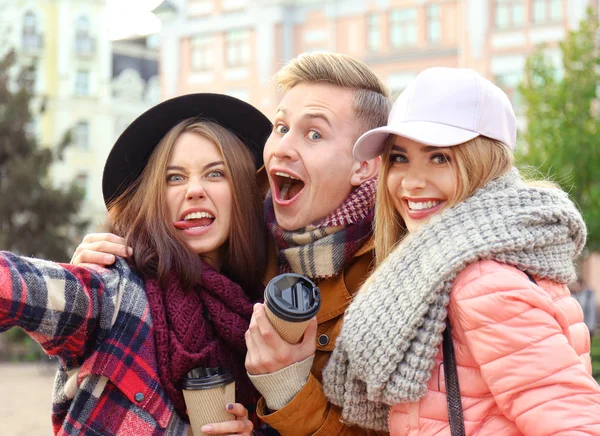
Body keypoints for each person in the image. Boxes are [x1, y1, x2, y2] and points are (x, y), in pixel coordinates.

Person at [71, 52, 392, 435]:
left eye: (314, 134)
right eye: (281, 126)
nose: (283, 148)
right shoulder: (251, 237)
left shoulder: (389, 277)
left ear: (365, 165)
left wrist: (288, 389)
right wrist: (90, 282)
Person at [323, 67, 600, 434]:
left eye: (439, 157)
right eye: (400, 158)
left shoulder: (482, 282)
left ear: (483, 163)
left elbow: (572, 421)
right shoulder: (471, 258)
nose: (411, 181)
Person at [0, 93, 272, 436]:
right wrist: (85, 276)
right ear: (154, 197)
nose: (194, 190)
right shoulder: (116, 288)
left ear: (243, 191)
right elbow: (11, 284)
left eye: (215, 173)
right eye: (174, 177)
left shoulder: (263, 313)